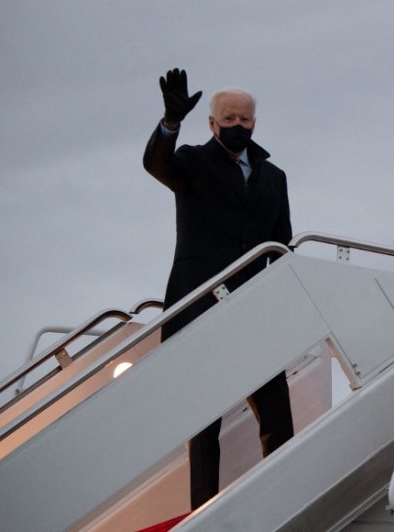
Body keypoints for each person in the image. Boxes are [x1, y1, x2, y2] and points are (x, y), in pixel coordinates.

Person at [143, 68, 295, 510]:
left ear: (255, 122)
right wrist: (171, 122)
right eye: (228, 119)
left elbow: (282, 243)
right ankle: (202, 513)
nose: (237, 126)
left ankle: (284, 503)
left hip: (252, 310)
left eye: (244, 119)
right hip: (199, 307)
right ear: (212, 123)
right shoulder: (191, 162)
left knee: (277, 416)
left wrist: (281, 306)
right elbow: (156, 164)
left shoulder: (274, 177)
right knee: (204, 423)